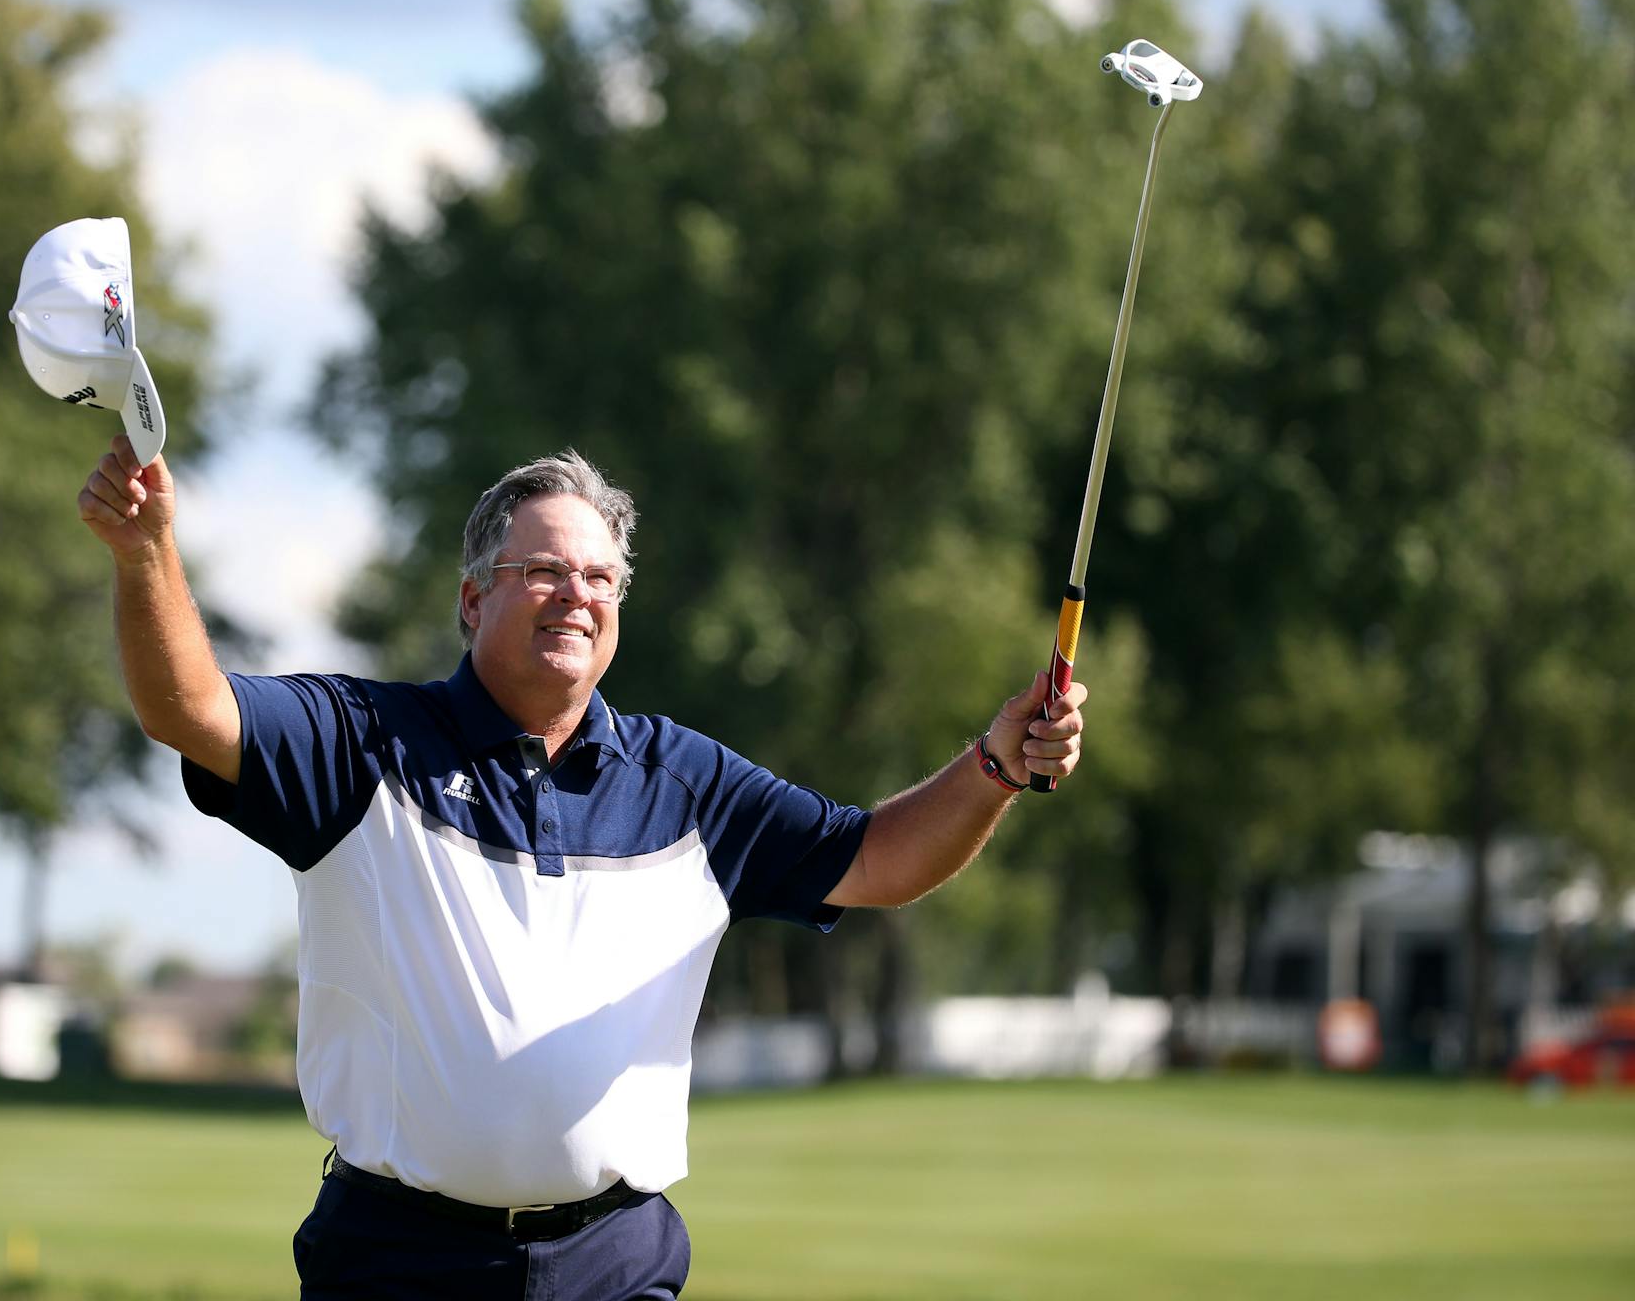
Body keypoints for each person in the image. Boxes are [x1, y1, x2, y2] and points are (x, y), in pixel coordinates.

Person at [80, 439, 1086, 1300]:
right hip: (396, 1259)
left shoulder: (686, 780)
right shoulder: (365, 742)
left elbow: (875, 859)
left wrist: (993, 766)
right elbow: (191, 709)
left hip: (612, 1260)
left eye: (600, 579)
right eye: (545, 572)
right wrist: (147, 549)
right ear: (475, 599)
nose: (577, 596)